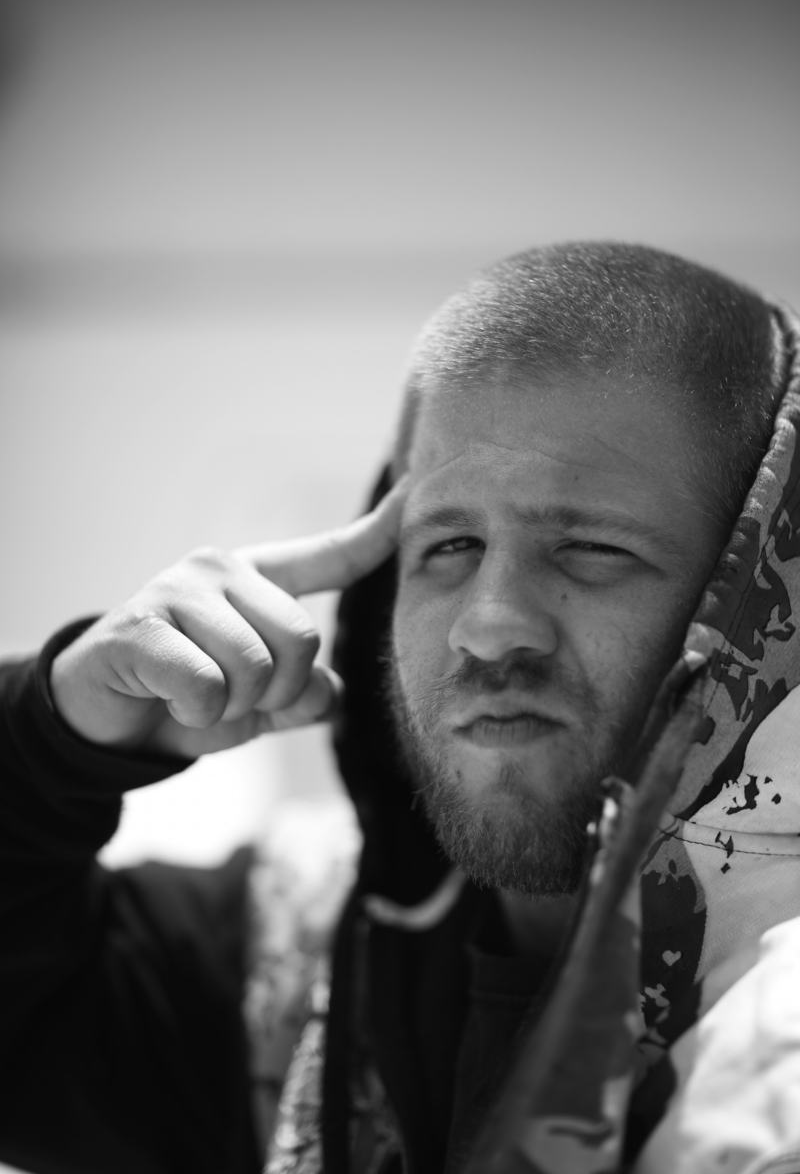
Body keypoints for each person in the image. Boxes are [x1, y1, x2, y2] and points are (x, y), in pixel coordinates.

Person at [1, 241, 799, 1174]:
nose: (489, 627)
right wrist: (49, 734)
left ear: (753, 600)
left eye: (594, 549)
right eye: (449, 545)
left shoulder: (774, 1034)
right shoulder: (290, 958)